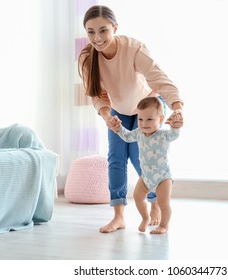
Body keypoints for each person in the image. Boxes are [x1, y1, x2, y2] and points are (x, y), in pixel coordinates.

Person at [78, 5, 184, 233]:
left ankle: (155, 202)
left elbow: (159, 79)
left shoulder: (134, 49)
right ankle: (119, 216)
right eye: (91, 32)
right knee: (116, 159)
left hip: (146, 106)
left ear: (115, 27)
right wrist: (107, 116)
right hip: (118, 110)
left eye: (103, 30)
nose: (97, 38)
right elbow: (97, 94)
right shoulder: (87, 58)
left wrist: (177, 107)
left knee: (141, 157)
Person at [111, 96, 179, 234]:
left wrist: (175, 126)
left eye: (149, 119)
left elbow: (174, 135)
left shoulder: (163, 135)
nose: (143, 123)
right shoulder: (139, 133)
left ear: (160, 119)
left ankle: (164, 225)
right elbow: (127, 136)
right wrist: (118, 128)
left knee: (163, 203)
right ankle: (145, 217)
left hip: (163, 178)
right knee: (137, 196)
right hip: (146, 177)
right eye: (140, 119)